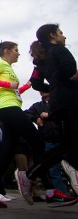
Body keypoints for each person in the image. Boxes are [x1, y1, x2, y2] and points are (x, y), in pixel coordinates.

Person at [0, 40, 76, 208]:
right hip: (9, 109)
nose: (18, 53)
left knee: (7, 152)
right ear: (7, 51)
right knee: (38, 144)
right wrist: (8, 84)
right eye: (16, 50)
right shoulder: (0, 63)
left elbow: (14, 91)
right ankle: (49, 190)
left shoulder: (8, 68)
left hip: (11, 107)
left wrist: (26, 86)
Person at [28, 24, 78, 203]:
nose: (64, 36)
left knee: (67, 143)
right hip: (71, 101)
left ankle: (33, 172)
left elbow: (35, 82)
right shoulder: (60, 51)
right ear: (52, 35)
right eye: (61, 33)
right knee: (69, 144)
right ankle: (33, 173)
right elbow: (72, 74)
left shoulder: (40, 59)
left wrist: (53, 89)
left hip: (58, 103)